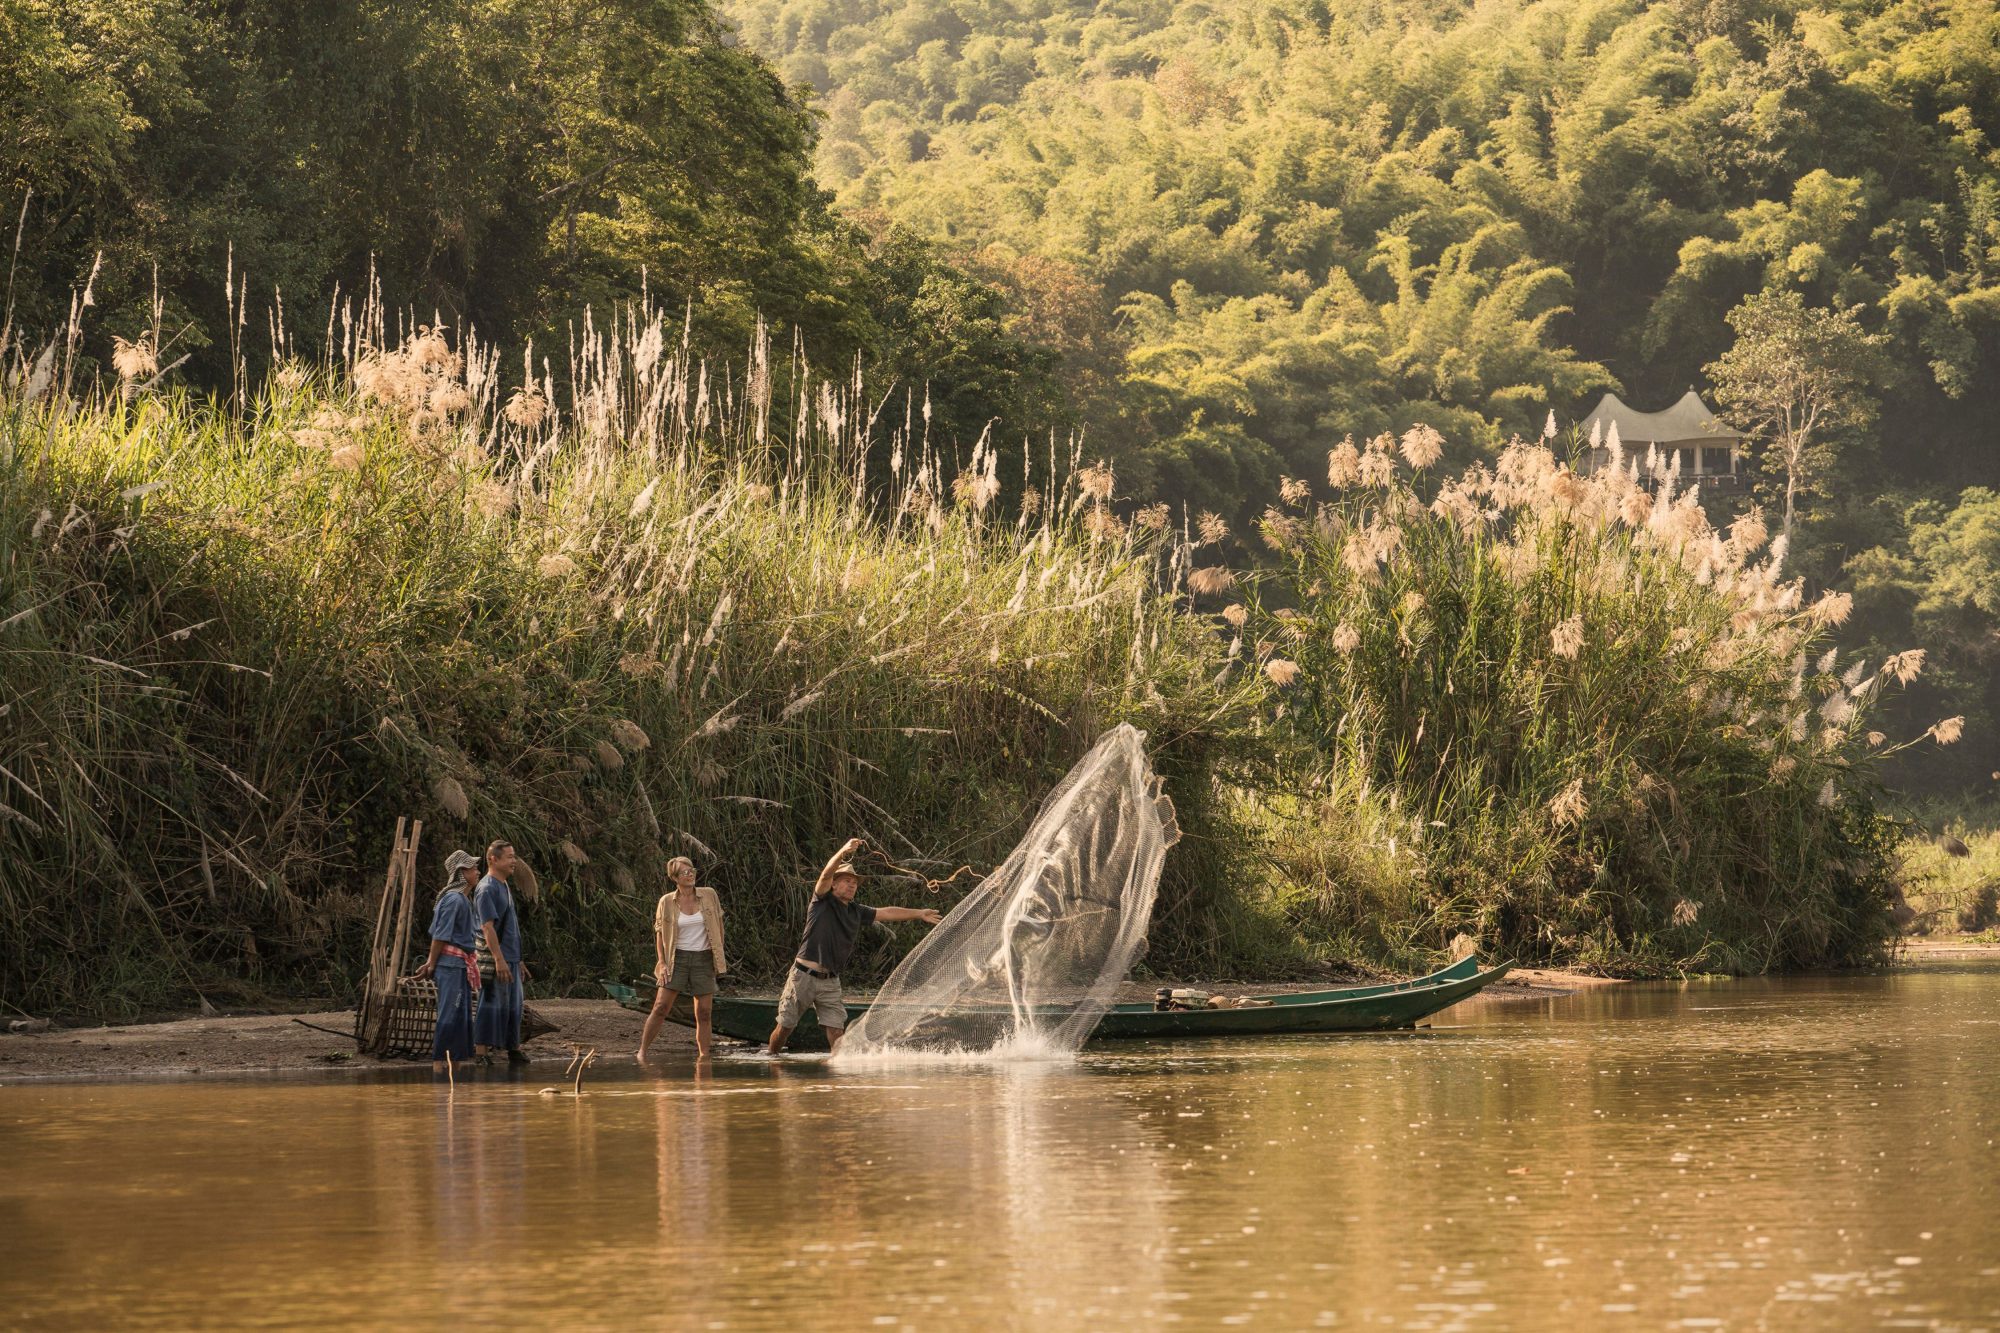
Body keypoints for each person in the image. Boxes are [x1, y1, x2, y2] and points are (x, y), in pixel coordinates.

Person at [767, 837, 942, 1054]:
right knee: (784, 1028)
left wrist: (919, 913)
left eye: (855, 882)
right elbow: (825, 874)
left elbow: (887, 912)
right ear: (834, 884)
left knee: (837, 1035)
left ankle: (837, 1083)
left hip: (830, 981)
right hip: (803, 976)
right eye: (847, 880)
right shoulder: (822, 901)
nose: (852, 884)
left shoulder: (856, 911)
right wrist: (843, 851)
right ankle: (771, 1063)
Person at [637, 855, 728, 1061]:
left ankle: (704, 1058)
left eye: (692, 870)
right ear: (675, 878)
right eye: (685, 872)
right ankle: (642, 1051)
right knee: (661, 1007)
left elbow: (719, 928)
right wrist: (662, 962)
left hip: (703, 959)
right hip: (675, 959)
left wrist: (717, 956)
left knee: (704, 1012)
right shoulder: (666, 901)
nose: (690, 874)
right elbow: (659, 933)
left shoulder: (709, 895)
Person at [412, 849, 481, 1073]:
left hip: (459, 965)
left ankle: (455, 1066)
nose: (477, 871)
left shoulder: (463, 899)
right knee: (451, 1013)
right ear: (462, 873)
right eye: (473, 868)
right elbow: (440, 935)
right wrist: (431, 964)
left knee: (461, 1015)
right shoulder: (453, 900)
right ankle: (439, 1065)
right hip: (450, 965)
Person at [474, 839, 530, 1065]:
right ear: (493, 859)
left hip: (512, 958)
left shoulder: (504, 885)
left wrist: (519, 959)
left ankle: (513, 1049)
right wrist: (499, 960)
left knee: (513, 1007)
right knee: (490, 1004)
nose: (514, 861)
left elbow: (510, 927)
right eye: (509, 857)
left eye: (514, 856)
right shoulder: (486, 888)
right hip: (497, 959)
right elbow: (487, 927)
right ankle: (481, 1053)